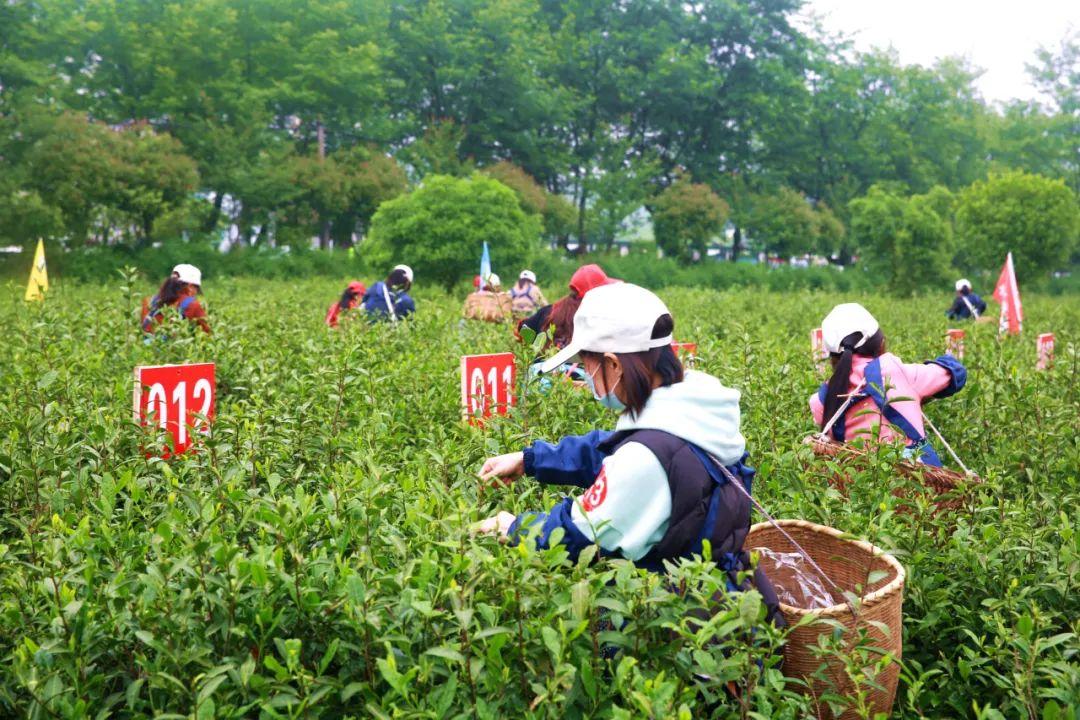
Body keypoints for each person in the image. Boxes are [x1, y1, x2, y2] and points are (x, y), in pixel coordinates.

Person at [476, 283, 784, 624]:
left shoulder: (645, 457)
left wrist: (514, 525)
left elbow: (577, 534)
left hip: (680, 626)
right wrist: (531, 459)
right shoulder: (697, 409)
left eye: (586, 364)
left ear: (613, 364)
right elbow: (613, 448)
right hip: (725, 597)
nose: (587, 377)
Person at [810, 303, 967, 466]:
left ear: (833, 357)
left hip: (858, 484)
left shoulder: (820, 400)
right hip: (920, 480)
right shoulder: (890, 370)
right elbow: (956, 373)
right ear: (880, 343)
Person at [141, 263, 211, 335]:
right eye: (196, 288)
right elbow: (207, 334)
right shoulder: (193, 305)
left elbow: (145, 330)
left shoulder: (148, 301)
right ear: (190, 286)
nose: (196, 292)